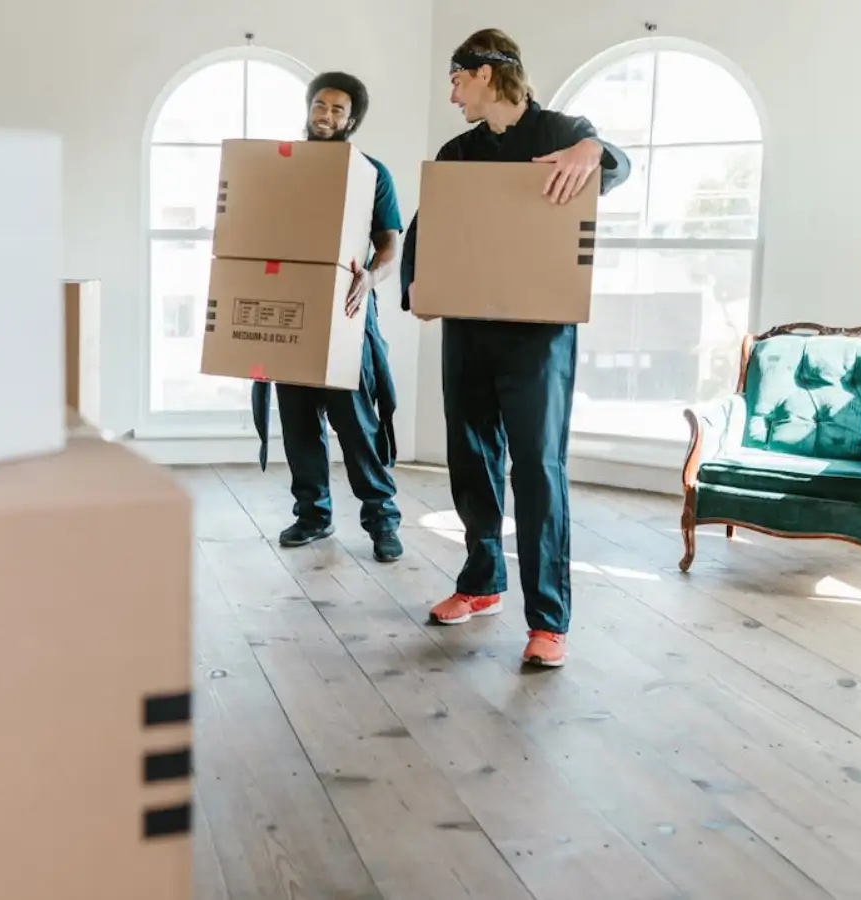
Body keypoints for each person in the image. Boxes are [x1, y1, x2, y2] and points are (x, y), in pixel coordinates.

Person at [397, 29, 631, 667]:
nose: (452, 96)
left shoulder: (562, 132)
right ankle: (481, 583)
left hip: (538, 338)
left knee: (536, 468)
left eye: (456, 81)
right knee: (469, 461)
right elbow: (427, 226)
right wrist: (415, 284)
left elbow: (618, 165)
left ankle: (548, 621)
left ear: (484, 73)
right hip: (469, 330)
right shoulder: (458, 150)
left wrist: (592, 149)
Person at [250, 71, 406, 564]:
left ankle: (382, 520)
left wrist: (371, 279)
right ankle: (313, 515)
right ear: (309, 107)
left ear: (351, 119)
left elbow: (390, 246)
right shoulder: (283, 166)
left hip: (345, 310)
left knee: (356, 424)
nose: (327, 115)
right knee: (298, 423)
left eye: (338, 109)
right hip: (289, 309)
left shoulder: (370, 172)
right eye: (321, 105)